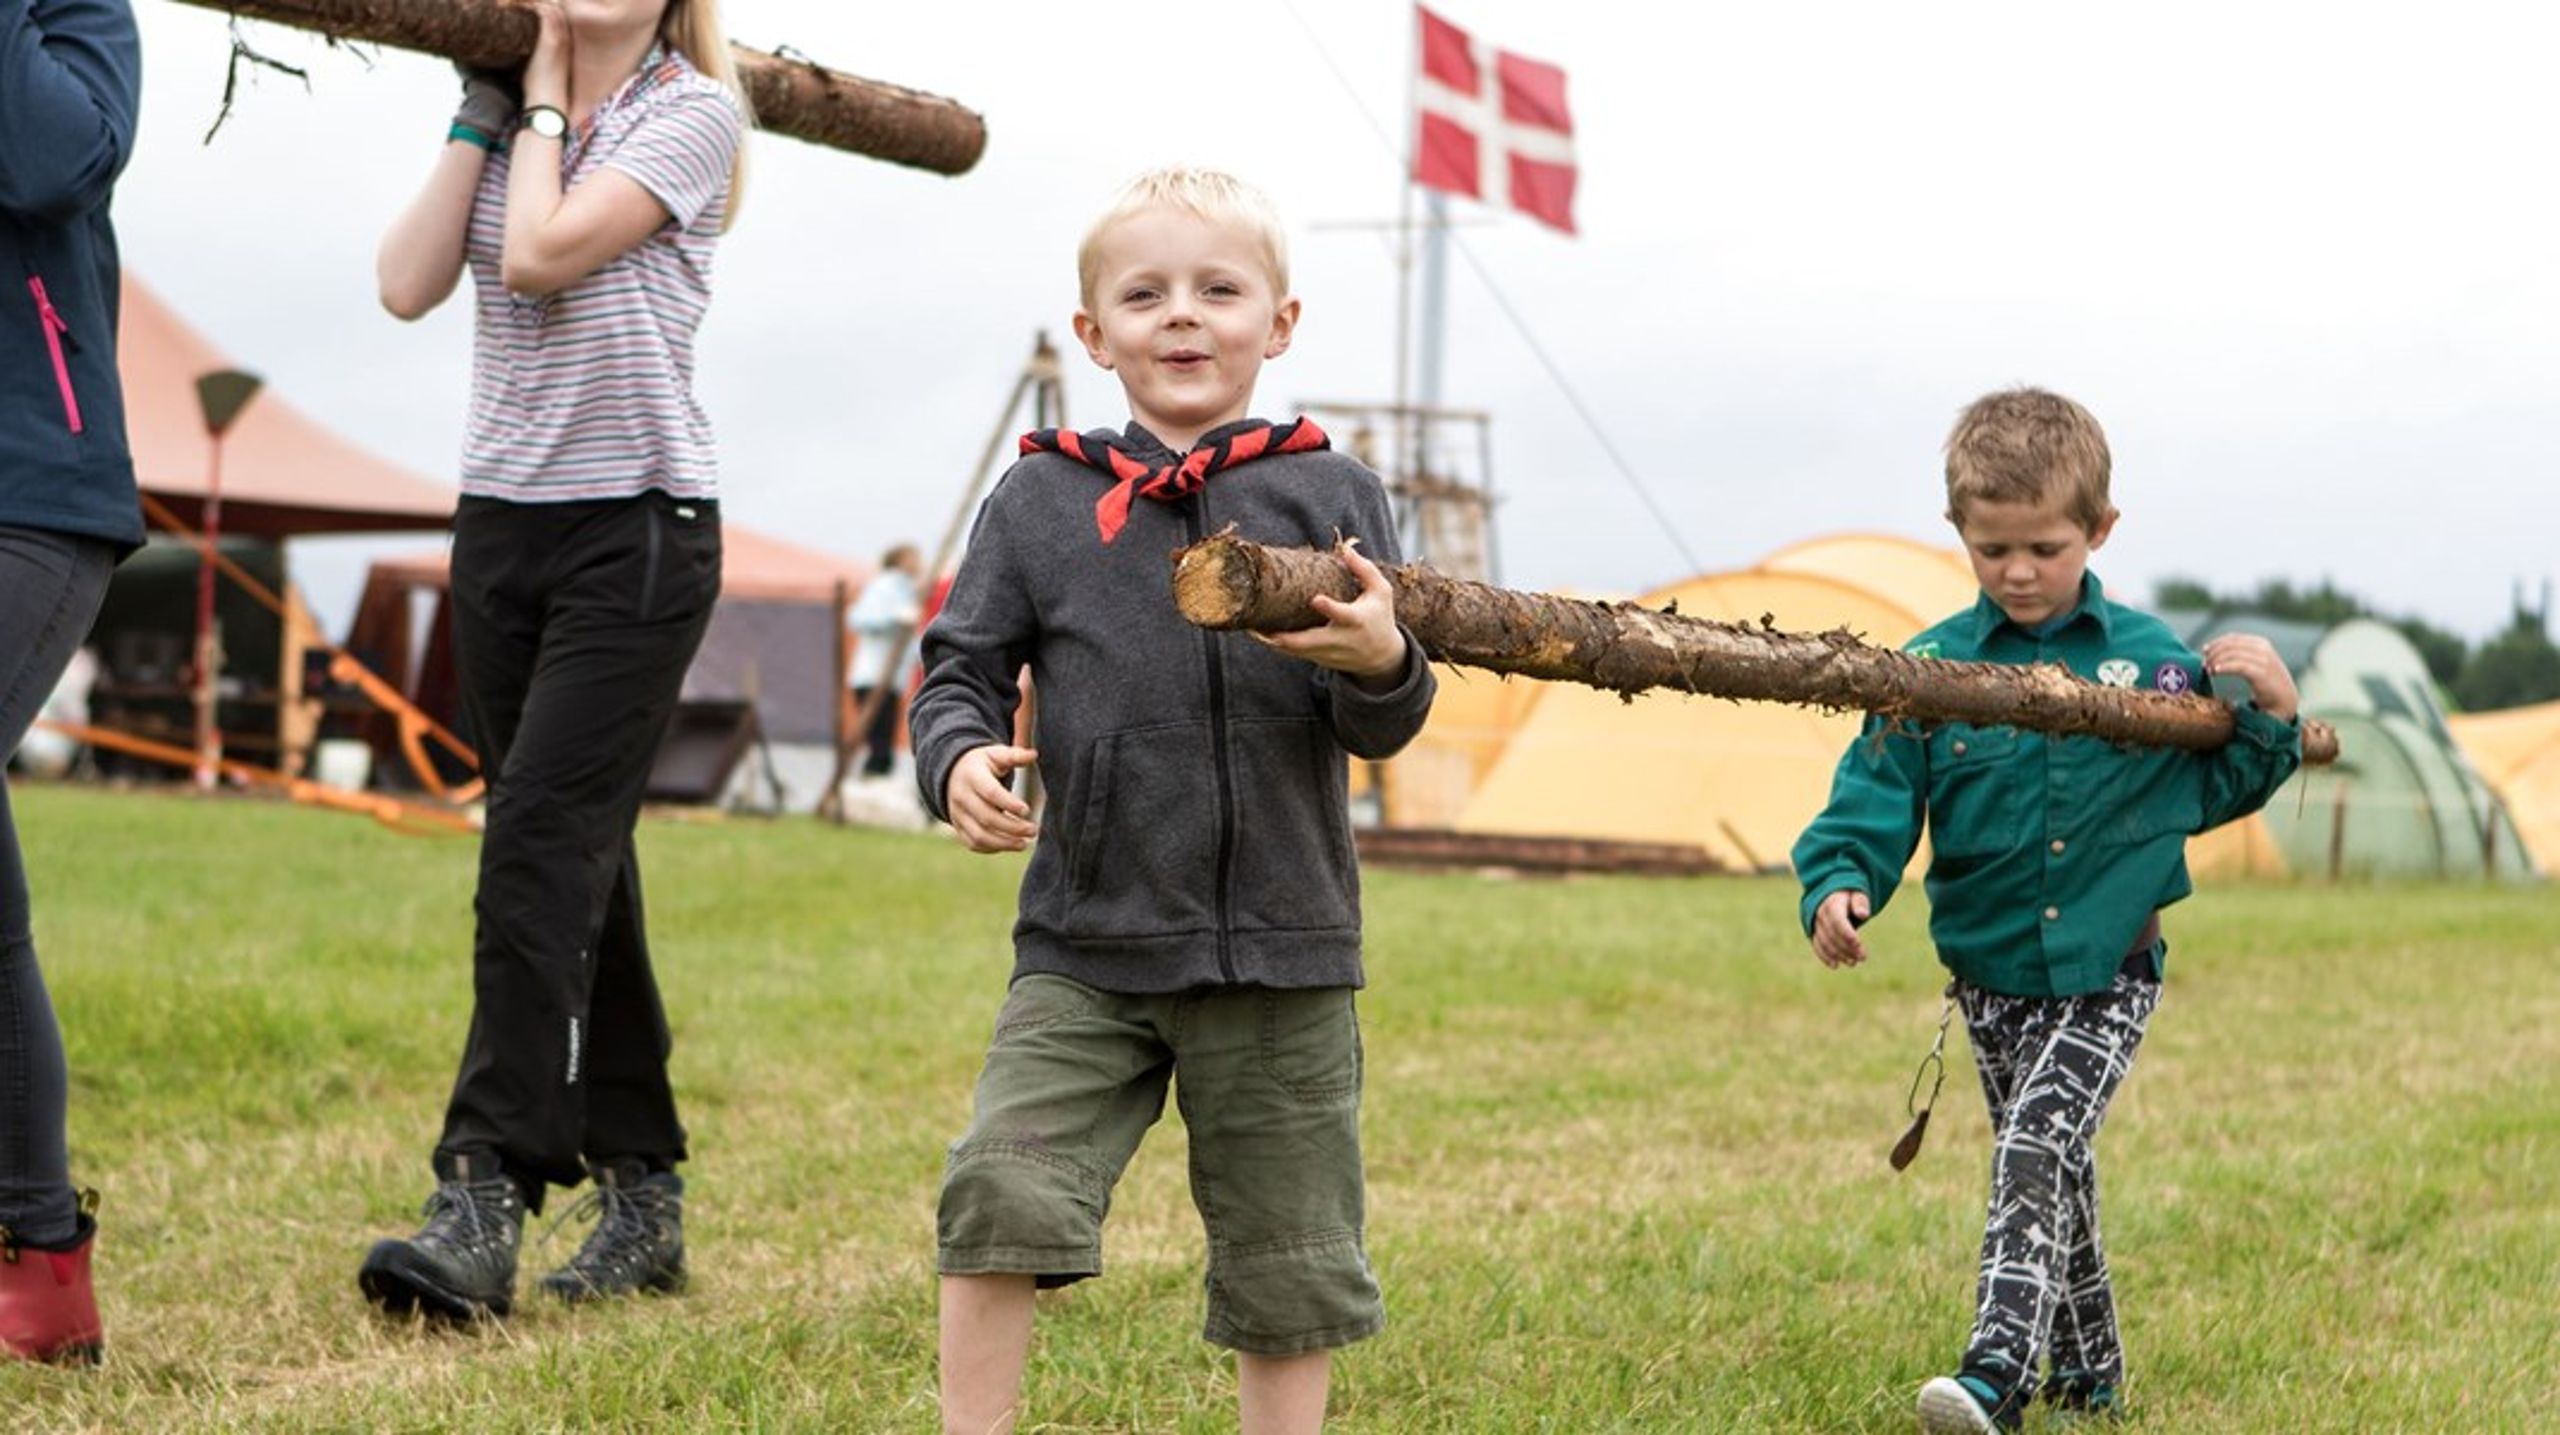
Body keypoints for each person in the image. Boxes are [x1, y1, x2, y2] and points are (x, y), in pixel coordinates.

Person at [910, 167, 1436, 1434]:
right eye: (1143, 295)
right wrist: (959, 758)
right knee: (997, 1188)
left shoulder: (1336, 496)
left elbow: (1385, 713)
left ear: (1282, 321)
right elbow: (958, 669)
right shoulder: (1040, 500)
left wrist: (1382, 662)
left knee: (1290, 1256)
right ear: (1094, 335)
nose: (1181, 316)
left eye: (1218, 289)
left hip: (1286, 945)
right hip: (1086, 943)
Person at [1790, 388, 2304, 1432]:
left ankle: (1995, 1374)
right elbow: (1876, 790)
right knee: (2053, 1161)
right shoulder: (1928, 669)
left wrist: (2272, 718)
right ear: (1959, 534)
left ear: (2099, 531)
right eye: (1992, 549)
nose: (2017, 571)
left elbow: (2211, 789)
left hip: (2112, 968)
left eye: (2043, 546)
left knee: (2030, 1145)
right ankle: (2092, 1372)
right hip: (1988, 976)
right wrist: (1841, 875)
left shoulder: (2152, 664)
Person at [356, 0, 748, 1321]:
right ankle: (645, 1192)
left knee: (535, 836)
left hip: (637, 528)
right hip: (500, 524)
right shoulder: (500, 100)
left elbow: (534, 257)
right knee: (576, 848)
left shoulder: (690, 111)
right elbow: (407, 283)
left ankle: (483, 1188)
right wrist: (487, 105)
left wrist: (534, 112)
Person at [0, 0, 140, 1366]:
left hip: (33, 494)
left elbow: (47, 162)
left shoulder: (78, 13)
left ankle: (40, 1247)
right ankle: (42, 1259)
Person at [845, 541, 922, 780]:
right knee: (877, 736)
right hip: (873, 674)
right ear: (900, 560)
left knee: (885, 734)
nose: (920, 564)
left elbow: (910, 641)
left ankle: (877, 778)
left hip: (893, 678)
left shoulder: (910, 590)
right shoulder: (883, 586)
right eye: (914, 558)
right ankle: (871, 779)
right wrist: (893, 618)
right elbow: (859, 618)